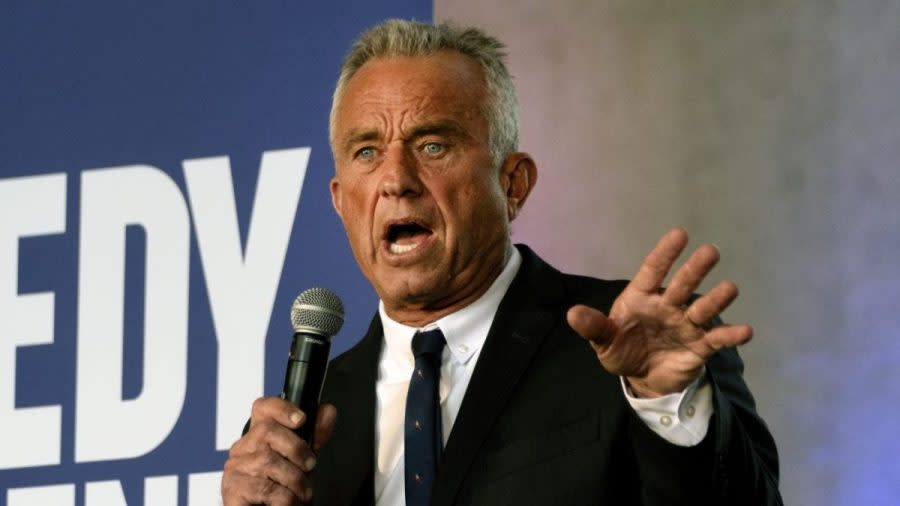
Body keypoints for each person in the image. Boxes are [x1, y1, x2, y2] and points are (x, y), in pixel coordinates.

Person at [221, 19, 782, 505]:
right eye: (367, 152)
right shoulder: (302, 432)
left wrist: (666, 404)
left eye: (433, 145)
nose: (395, 180)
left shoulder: (630, 348)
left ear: (513, 184)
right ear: (341, 201)